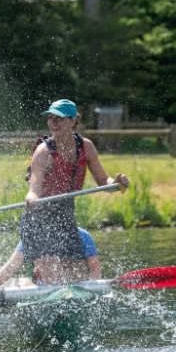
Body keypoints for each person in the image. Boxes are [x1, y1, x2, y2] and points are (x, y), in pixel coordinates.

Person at [22, 99, 129, 285]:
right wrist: (32, 198)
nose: (53, 123)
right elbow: (34, 189)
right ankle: (26, 284)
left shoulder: (86, 147)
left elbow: (103, 180)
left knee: (78, 282)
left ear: (73, 121)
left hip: (65, 219)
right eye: (50, 118)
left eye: (59, 118)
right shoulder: (43, 152)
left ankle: (30, 283)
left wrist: (116, 183)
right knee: (55, 284)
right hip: (38, 220)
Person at [0, 228, 101, 290]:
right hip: (42, 289)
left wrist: (89, 289)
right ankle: (23, 282)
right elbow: (11, 267)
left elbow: (95, 271)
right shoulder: (34, 237)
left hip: (76, 289)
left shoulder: (83, 235)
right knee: (23, 283)